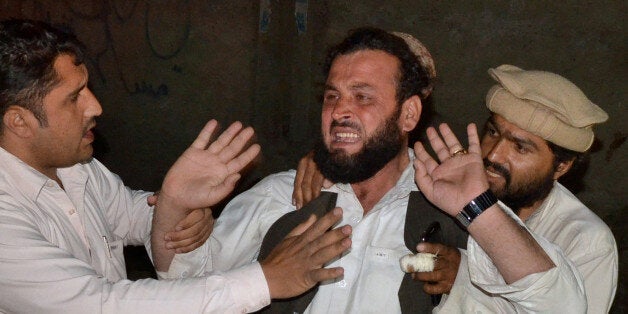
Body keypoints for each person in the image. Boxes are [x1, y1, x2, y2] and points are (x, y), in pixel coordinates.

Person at [156, 28, 585, 313]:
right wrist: (174, 203)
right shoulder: (284, 194)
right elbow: (182, 277)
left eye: (362, 97)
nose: (339, 110)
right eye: (331, 96)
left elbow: (562, 305)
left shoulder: (458, 206)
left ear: (409, 112)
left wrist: (477, 208)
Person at [0, 18, 352, 313]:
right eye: (74, 98)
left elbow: (130, 214)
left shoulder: (74, 166)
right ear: (19, 122)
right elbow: (101, 304)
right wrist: (266, 279)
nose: (95, 107)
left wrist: (176, 202)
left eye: (88, 88)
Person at [295, 65, 617, 313]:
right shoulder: (450, 187)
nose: (492, 155)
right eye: (493, 132)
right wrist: (336, 161)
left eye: (520, 148)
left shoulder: (585, 241)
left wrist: (461, 282)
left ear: (561, 167)